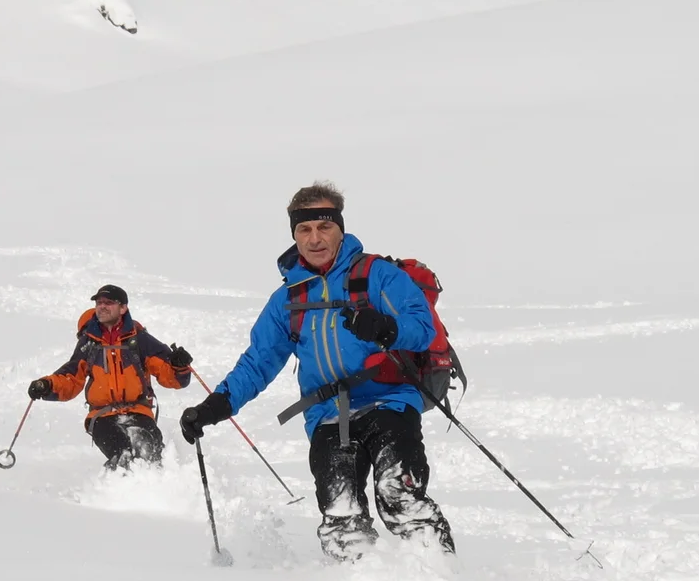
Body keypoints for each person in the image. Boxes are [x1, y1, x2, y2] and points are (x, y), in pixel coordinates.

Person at [180, 184, 454, 561]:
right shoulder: (289, 300)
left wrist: (386, 328)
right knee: (340, 512)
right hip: (327, 416)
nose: (315, 238)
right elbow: (259, 362)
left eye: (324, 227)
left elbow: (422, 327)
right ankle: (357, 578)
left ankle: (439, 575)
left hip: (388, 402)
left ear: (340, 228)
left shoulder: (378, 275)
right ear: (293, 234)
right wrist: (216, 406)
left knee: (399, 495)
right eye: (304, 229)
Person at [30, 284, 192, 470]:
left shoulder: (140, 340)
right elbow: (71, 378)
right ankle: (115, 494)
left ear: (123, 308)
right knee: (122, 454)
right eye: (99, 302)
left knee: (152, 454)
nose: (102, 306)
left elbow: (172, 377)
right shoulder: (89, 342)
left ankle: (157, 493)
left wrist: (179, 366)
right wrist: (46, 385)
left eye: (109, 303)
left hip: (139, 410)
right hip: (102, 415)